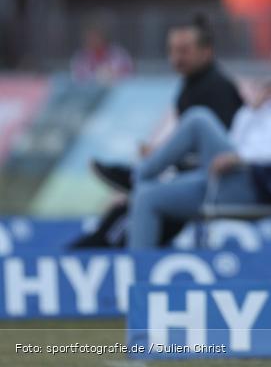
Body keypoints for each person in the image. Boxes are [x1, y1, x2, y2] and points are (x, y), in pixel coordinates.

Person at [127, 37, 271, 248]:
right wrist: (252, 111)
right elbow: (237, 139)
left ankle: (139, 172)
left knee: (199, 119)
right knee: (147, 196)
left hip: (257, 183)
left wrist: (240, 158)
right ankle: (137, 273)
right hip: (230, 178)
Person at [72, 15, 244, 248]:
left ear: (207, 51)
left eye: (184, 51)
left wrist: (166, 159)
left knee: (146, 198)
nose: (175, 58)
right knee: (126, 209)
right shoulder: (191, 86)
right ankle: (101, 238)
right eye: (171, 50)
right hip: (195, 177)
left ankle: (136, 177)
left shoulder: (216, 88)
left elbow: (222, 147)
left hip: (218, 181)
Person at [70, 16, 133, 83]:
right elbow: (78, 78)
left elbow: (129, 72)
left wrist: (112, 74)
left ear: (103, 37)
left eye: (95, 37)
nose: (92, 40)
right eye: (89, 37)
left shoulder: (118, 54)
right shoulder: (81, 58)